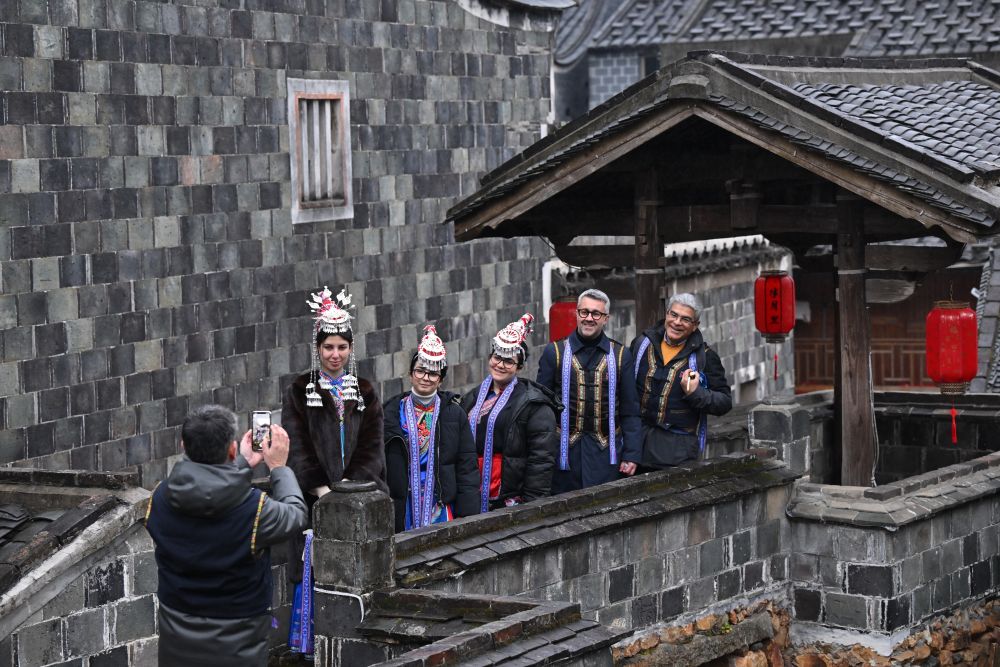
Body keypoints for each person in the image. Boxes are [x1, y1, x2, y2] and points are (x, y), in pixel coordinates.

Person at [144, 405, 308, 667]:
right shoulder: (254, 509)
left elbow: (204, 495)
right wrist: (278, 468)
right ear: (232, 449)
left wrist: (241, 464)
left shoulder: (161, 496)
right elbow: (296, 514)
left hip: (176, 631)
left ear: (183, 445)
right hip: (238, 638)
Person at [282, 286, 386, 656]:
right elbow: (296, 446)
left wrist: (348, 491)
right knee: (314, 569)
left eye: (342, 347)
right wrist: (323, 492)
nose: (335, 355)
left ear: (351, 349)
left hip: (357, 500)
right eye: (328, 347)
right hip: (315, 502)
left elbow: (372, 447)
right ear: (317, 348)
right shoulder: (299, 390)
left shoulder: (366, 391)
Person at [537, 289, 642, 493]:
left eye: (596, 313)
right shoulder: (555, 352)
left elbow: (630, 409)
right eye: (584, 312)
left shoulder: (621, 355)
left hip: (607, 456)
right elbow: (541, 409)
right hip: (563, 457)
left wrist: (632, 454)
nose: (589, 318)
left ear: (606, 318)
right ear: (577, 314)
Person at [383, 325, 480, 532]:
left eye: (433, 373)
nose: (426, 378)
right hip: (403, 503)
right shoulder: (391, 412)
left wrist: (468, 515)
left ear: (441, 379)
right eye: (420, 371)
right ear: (410, 374)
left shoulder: (454, 414)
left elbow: (466, 465)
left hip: (440, 503)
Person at [460, 314, 560, 511]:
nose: (500, 365)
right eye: (497, 357)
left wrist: (533, 506)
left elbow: (541, 461)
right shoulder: (473, 398)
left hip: (509, 496)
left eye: (508, 361)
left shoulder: (534, 405)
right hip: (472, 491)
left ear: (519, 367)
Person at [630, 293, 732, 468]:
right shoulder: (642, 344)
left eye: (685, 319)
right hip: (635, 446)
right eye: (674, 315)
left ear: (695, 325)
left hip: (677, 452)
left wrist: (696, 393)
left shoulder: (705, 357)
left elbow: (724, 402)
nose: (677, 322)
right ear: (666, 314)